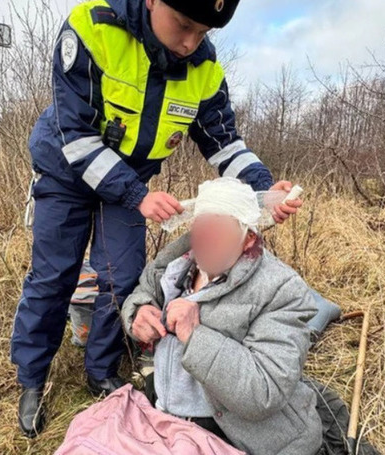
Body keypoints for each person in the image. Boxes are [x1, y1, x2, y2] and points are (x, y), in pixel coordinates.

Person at [10, 0, 302, 438]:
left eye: (203, 32)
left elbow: (223, 142)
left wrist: (264, 189)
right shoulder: (90, 28)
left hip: (132, 184)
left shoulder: (205, 70)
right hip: (67, 170)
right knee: (52, 276)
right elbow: (75, 136)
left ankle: (102, 371)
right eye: (183, 25)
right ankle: (31, 378)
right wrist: (139, 196)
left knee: (121, 280)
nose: (191, 43)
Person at [121, 178, 323, 455]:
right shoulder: (174, 263)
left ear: (248, 237)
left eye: (219, 230)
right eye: (202, 227)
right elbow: (142, 292)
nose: (206, 239)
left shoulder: (282, 289)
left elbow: (264, 391)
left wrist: (196, 335)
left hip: (232, 435)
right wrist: (138, 313)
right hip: (167, 419)